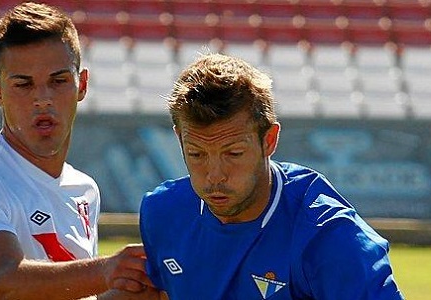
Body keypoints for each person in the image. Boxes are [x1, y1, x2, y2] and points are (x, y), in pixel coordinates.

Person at [0, 3, 157, 299]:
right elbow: (1, 282)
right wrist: (108, 271)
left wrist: (140, 288)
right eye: (23, 85)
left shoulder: (84, 189)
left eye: (58, 81)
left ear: (81, 85)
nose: (42, 99)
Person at [139, 53, 405, 299]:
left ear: (269, 140)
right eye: (197, 154)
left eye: (233, 154)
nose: (214, 176)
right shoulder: (162, 212)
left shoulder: (330, 237)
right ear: (179, 139)